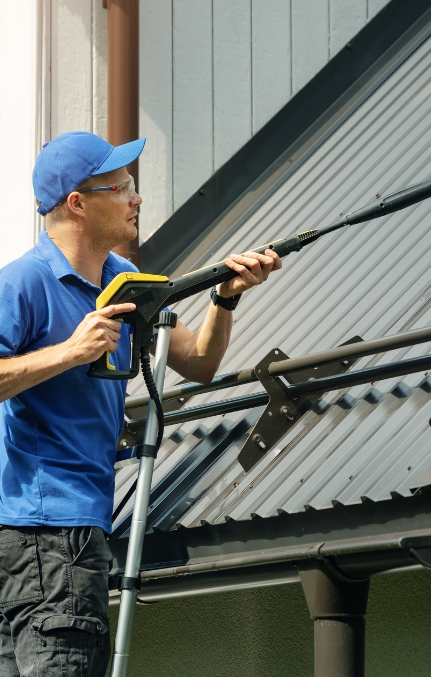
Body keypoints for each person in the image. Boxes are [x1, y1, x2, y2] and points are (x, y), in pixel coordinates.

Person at [0, 131, 281, 676]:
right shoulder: (23, 284)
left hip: (67, 533)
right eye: (122, 187)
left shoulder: (124, 280)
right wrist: (71, 352)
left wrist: (226, 298)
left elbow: (199, 363)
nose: (137, 198)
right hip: (47, 532)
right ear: (78, 204)